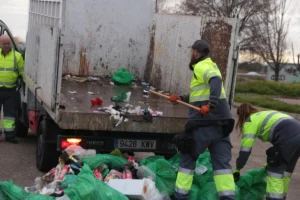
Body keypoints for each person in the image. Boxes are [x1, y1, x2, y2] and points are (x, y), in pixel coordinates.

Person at [170, 40, 236, 200]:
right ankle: (228, 197)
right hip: (222, 125)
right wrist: (181, 98)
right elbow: (201, 93)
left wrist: (211, 105)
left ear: (196, 53)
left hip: (204, 124)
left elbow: (215, 80)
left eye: (191, 51)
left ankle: (180, 196)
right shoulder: (211, 65)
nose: (190, 55)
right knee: (222, 167)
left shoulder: (201, 66)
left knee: (187, 158)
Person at [234, 103, 300, 200]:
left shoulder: (250, 121)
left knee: (275, 171)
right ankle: (282, 196)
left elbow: (245, 149)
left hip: (287, 138)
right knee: (286, 170)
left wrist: (238, 169)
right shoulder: (264, 114)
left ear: (241, 116)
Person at [0, 35, 24, 143]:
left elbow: (22, 72)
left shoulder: (17, 56)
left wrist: (22, 84)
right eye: (4, 43)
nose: (6, 45)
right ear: (0, 44)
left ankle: (10, 136)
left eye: (8, 43)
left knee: (10, 114)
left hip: (11, 90)